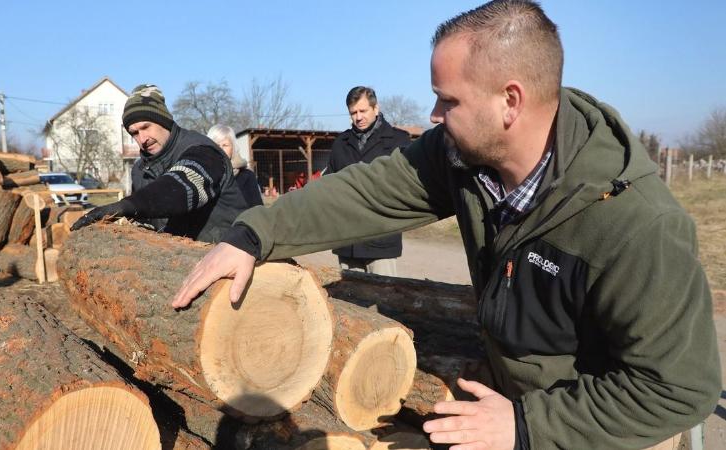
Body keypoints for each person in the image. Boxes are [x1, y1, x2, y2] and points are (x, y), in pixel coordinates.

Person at [170, 1, 721, 449]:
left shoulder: (634, 224)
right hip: (508, 404)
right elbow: (366, 191)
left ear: (510, 101)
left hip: (592, 430)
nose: (433, 116)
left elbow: (680, 388)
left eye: (447, 100)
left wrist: (529, 427)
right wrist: (253, 234)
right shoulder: (463, 156)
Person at [70, 84, 248, 243]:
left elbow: (181, 187)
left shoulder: (203, 150)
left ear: (163, 120)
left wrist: (126, 206)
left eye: (146, 127)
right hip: (175, 265)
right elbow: (146, 223)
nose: (142, 139)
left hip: (230, 255)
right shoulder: (140, 170)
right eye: (134, 133)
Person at [327, 86, 411, 276]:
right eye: (353, 112)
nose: (358, 117)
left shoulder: (399, 141)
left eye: (363, 111)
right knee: (348, 302)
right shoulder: (340, 143)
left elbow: (408, 185)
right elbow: (329, 185)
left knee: (387, 301)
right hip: (347, 240)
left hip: (381, 237)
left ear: (376, 108)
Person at [207, 124, 264, 208]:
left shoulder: (247, 176)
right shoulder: (201, 174)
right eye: (216, 145)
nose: (220, 149)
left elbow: (256, 210)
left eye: (225, 145)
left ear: (233, 148)